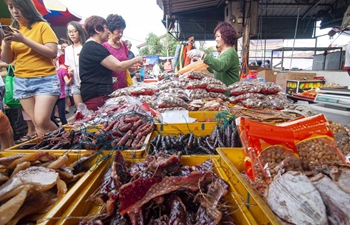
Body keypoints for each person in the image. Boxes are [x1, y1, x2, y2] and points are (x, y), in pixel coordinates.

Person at [1, 0, 60, 135]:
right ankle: (54, 151)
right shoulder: (12, 30)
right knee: (37, 125)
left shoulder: (42, 26)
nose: (14, 11)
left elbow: (52, 52)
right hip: (22, 81)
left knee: (41, 121)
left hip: (45, 79)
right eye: (11, 7)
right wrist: (7, 44)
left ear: (27, 7)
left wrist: (23, 40)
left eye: (18, 7)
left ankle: (69, 142)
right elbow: (8, 60)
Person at [79, 16, 143, 111]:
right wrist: (136, 59)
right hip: (96, 96)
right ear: (97, 29)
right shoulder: (94, 48)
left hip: (99, 95)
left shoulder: (93, 47)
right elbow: (118, 66)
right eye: (106, 28)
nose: (108, 32)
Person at [187, 21, 239, 86]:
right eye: (216, 37)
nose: (216, 39)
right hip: (222, 91)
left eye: (218, 36)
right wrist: (201, 60)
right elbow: (215, 69)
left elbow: (220, 66)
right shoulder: (223, 53)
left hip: (229, 92)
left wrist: (202, 54)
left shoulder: (230, 52)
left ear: (226, 36)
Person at [102, 14, 135, 90]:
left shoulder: (123, 44)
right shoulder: (104, 46)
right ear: (110, 30)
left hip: (124, 86)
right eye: (118, 31)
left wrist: (131, 68)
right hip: (110, 87)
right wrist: (135, 60)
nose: (120, 34)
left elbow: (125, 65)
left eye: (122, 31)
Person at [65, 21, 87, 107]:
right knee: (80, 112)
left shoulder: (85, 47)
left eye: (74, 31)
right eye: (70, 31)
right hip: (75, 84)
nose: (72, 34)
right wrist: (69, 71)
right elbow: (68, 66)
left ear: (79, 31)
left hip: (87, 83)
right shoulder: (68, 49)